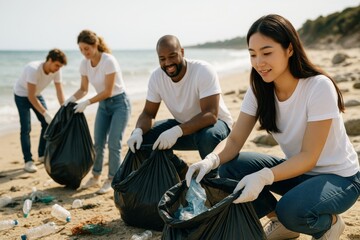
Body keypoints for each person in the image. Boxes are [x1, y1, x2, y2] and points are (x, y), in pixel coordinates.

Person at [186, 14, 360, 240]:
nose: (259, 62)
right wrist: (209, 160)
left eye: (267, 53)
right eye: (252, 54)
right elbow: (235, 140)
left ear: (289, 49)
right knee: (229, 168)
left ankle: (329, 224)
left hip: (339, 178)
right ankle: (279, 222)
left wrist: (263, 177)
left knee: (292, 211)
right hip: (298, 172)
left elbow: (309, 156)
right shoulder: (259, 89)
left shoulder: (318, 87)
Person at [127, 35, 233, 178]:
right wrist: (138, 131)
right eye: (162, 59)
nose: (168, 63)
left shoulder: (202, 70)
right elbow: (148, 113)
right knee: (145, 139)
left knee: (208, 136)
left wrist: (176, 131)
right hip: (185, 127)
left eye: (172, 56)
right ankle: (180, 169)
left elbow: (210, 115)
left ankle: (212, 180)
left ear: (182, 52)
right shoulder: (156, 77)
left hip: (217, 128)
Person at [64, 30, 131, 194]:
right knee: (98, 143)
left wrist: (86, 103)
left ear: (95, 45)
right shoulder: (84, 64)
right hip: (103, 106)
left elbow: (108, 91)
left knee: (114, 143)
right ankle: (95, 176)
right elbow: (83, 89)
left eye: (86, 48)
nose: (84, 53)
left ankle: (112, 179)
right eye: (81, 49)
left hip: (119, 104)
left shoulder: (108, 61)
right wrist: (71, 99)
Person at [14, 49, 67, 173]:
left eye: (60, 67)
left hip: (36, 94)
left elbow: (59, 91)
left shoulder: (57, 71)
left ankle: (42, 155)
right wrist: (45, 113)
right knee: (26, 128)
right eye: (57, 65)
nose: (58, 69)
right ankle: (28, 161)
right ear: (49, 60)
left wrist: (64, 108)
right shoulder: (33, 69)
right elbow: (30, 97)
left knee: (46, 123)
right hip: (22, 95)